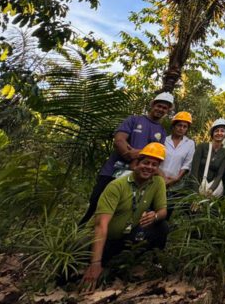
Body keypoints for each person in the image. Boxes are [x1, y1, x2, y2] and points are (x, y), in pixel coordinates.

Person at [80, 143, 168, 292]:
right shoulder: (117, 186)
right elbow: (101, 225)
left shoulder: (157, 182)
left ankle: (143, 264)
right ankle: (98, 264)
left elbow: (163, 211)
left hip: (126, 237)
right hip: (101, 239)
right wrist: (95, 263)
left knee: (162, 227)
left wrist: (155, 215)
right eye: (146, 162)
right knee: (73, 272)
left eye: (154, 165)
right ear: (136, 163)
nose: (149, 167)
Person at [79, 92, 171, 225]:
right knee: (96, 205)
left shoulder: (161, 132)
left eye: (164, 108)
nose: (161, 109)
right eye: (159, 106)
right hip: (112, 171)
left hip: (136, 178)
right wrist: (131, 154)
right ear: (152, 105)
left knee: (122, 211)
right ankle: (78, 239)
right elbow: (119, 141)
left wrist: (136, 153)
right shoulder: (134, 120)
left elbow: (155, 156)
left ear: (167, 111)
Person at [189, 118, 225, 198]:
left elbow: (219, 174)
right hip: (196, 187)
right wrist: (195, 195)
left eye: (222, 131)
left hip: (211, 190)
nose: (219, 133)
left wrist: (211, 190)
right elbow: (194, 171)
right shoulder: (202, 147)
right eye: (216, 131)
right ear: (212, 133)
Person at [161, 111, 195, 190]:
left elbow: (187, 164)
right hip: (158, 180)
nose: (181, 128)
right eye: (179, 125)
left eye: (184, 126)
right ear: (173, 126)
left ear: (187, 129)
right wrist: (162, 178)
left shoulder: (190, 143)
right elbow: (156, 159)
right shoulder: (164, 140)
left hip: (176, 185)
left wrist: (176, 179)